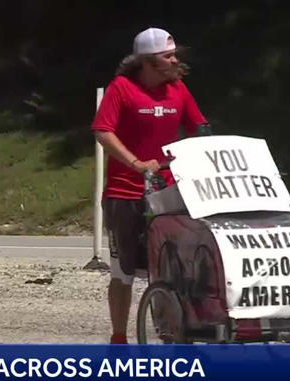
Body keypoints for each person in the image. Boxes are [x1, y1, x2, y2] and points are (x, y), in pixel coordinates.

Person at [91, 27, 209, 344]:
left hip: (168, 192)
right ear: (147, 62)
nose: (174, 61)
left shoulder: (178, 89)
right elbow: (103, 131)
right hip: (125, 193)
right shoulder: (122, 89)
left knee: (172, 269)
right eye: (167, 56)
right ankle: (119, 338)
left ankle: (171, 334)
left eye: (174, 55)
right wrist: (135, 163)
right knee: (123, 272)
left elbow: (199, 127)